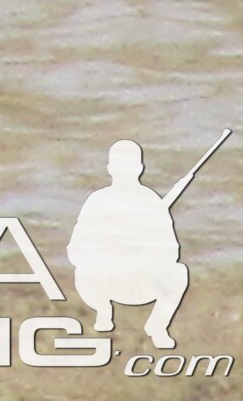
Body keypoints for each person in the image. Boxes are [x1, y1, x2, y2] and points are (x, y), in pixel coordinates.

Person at [69, 140, 190, 349]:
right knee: (83, 271)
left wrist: (140, 249)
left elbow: (171, 253)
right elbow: (76, 252)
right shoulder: (99, 200)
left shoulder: (151, 202)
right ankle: (103, 311)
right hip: (105, 282)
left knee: (179, 272)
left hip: (140, 284)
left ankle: (157, 325)